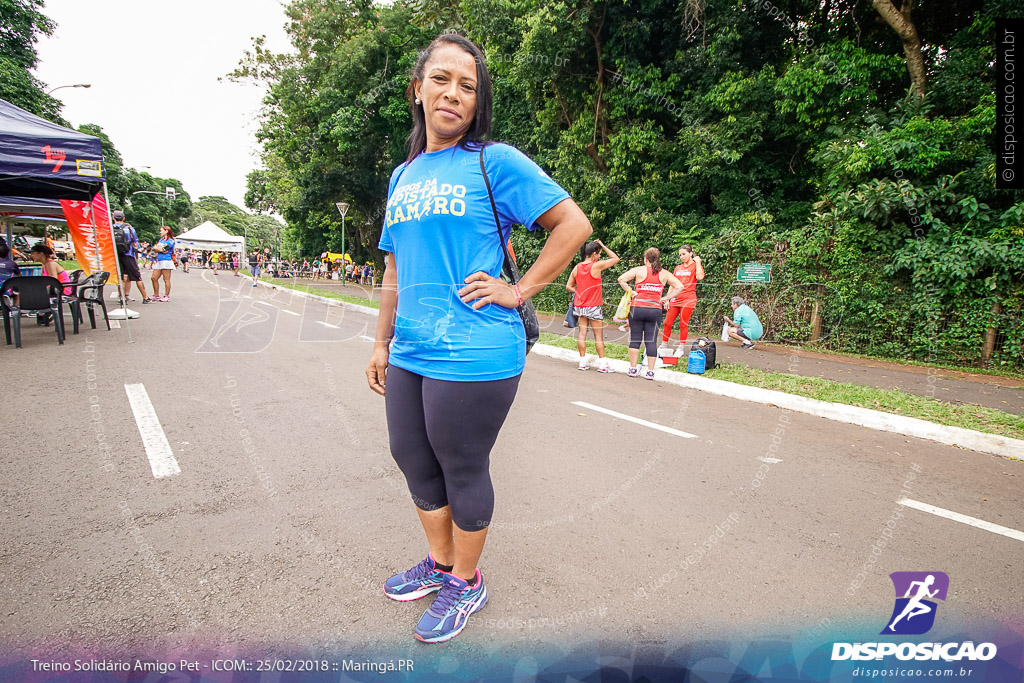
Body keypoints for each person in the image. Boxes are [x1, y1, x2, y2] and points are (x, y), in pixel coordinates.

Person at [365, 33, 591, 644]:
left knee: (460, 464)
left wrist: (519, 291)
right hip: (411, 346)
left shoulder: (495, 162)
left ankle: (467, 581)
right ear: (418, 90)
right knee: (412, 457)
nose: (454, 93)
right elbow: (393, 268)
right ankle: (440, 566)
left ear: (477, 100)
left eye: (468, 85)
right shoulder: (402, 175)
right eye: (442, 79)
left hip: (476, 346)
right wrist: (382, 342)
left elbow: (573, 224)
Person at [617, 248, 683, 379]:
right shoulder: (664, 274)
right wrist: (666, 298)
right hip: (655, 310)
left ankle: (633, 369)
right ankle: (650, 372)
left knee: (635, 339)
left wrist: (631, 291)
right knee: (651, 341)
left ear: (646, 259)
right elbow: (680, 286)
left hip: (637, 308)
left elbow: (621, 279)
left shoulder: (639, 270)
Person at [565, 240, 619, 372]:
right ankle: (602, 364)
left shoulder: (577, 267)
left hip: (580, 306)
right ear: (594, 254)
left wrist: (580, 291)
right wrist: (604, 246)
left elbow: (568, 286)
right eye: (599, 254)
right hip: (593, 306)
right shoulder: (596, 266)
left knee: (582, 333)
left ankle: (582, 362)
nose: (600, 256)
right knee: (598, 335)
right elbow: (615, 258)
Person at [661, 245, 705, 350]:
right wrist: (667, 298)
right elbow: (672, 284)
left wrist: (698, 262)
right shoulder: (678, 268)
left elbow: (700, 277)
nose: (682, 256)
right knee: (667, 322)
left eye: (684, 254)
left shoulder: (695, 266)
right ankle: (664, 344)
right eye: (680, 255)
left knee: (683, 323)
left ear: (690, 253)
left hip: (688, 299)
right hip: (676, 298)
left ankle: (681, 347)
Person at [113, 210, 152, 304]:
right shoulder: (129, 228)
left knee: (121, 278)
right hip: (129, 255)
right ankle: (145, 297)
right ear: (123, 218)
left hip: (117, 255)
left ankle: (122, 298)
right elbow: (135, 243)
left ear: (113, 218)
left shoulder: (110, 228)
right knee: (137, 277)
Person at [28, 243, 71, 324]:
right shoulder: (45, 265)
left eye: (33, 254)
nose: (31, 256)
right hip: (54, 289)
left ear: (41, 254)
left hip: (61, 290)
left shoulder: (50, 264)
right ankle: (44, 313)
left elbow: (53, 281)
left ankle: (46, 312)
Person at [150, 226, 176, 301]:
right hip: (159, 260)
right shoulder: (161, 240)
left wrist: (156, 249)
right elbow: (156, 249)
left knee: (166, 279)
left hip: (166, 261)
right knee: (154, 278)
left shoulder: (170, 241)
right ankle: (156, 294)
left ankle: (166, 295)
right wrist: (157, 249)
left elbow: (164, 250)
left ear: (166, 231)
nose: (160, 232)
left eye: (161, 230)